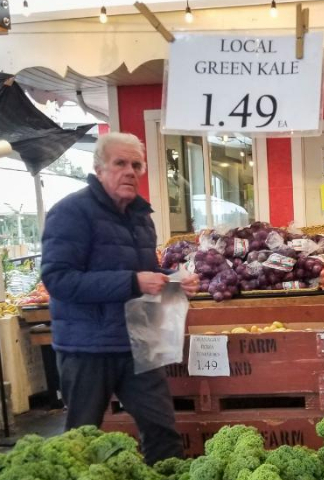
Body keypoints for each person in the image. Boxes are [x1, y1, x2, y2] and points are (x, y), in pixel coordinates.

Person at [41, 132, 199, 465]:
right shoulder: (70, 212)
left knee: (162, 430)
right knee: (80, 441)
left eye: (136, 165)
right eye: (120, 163)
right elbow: (58, 280)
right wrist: (132, 281)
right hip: (87, 348)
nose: (130, 171)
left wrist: (173, 283)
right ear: (99, 168)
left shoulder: (141, 218)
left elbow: (145, 272)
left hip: (139, 342)